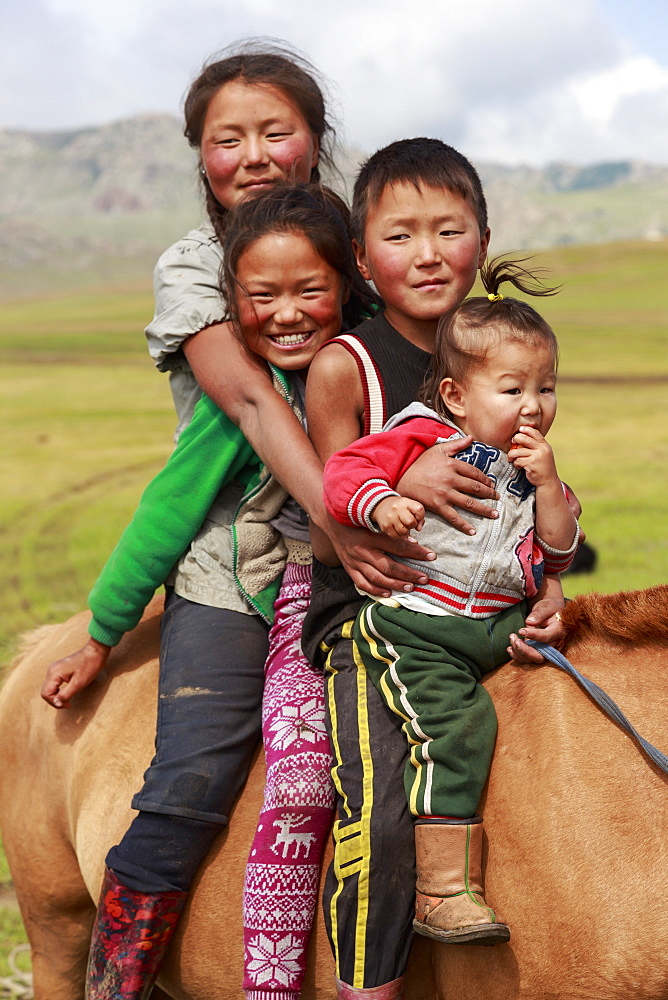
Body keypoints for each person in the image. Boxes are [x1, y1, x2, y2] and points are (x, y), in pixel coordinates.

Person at [41, 184, 378, 1000]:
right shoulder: (238, 408)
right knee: (190, 780)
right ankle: (118, 979)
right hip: (239, 594)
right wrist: (101, 631)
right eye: (261, 297)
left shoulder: (381, 368)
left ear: (350, 284)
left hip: (352, 597)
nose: (288, 314)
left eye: (310, 291)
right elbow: (167, 511)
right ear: (232, 300)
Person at [301, 139, 573, 998]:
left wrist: (552, 583)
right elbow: (324, 524)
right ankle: (366, 986)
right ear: (360, 257)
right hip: (371, 616)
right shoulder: (347, 365)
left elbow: (532, 509)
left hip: (481, 606)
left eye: (449, 230)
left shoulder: (506, 354)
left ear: (482, 242)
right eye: (401, 234)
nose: (427, 253)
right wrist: (393, 487)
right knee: (377, 806)